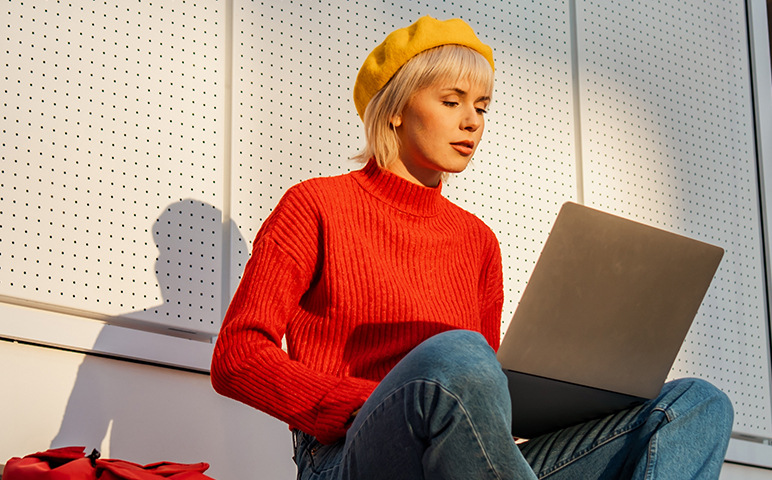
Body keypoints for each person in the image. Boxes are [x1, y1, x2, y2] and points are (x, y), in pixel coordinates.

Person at [210, 16, 734, 480]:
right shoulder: (315, 205)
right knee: (459, 353)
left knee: (695, 405)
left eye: (481, 106)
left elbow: (485, 397)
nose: (472, 121)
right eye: (451, 101)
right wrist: (366, 401)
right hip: (348, 456)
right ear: (395, 109)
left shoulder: (477, 241)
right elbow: (237, 356)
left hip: (467, 460)